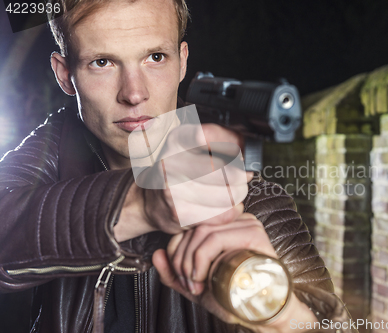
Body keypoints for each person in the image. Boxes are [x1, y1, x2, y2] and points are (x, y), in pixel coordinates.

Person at [0, 0, 354, 332]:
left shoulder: (249, 196)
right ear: (65, 75)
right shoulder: (51, 149)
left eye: (155, 57)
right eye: (102, 63)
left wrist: (279, 311)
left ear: (182, 61)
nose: (134, 93)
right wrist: (143, 203)